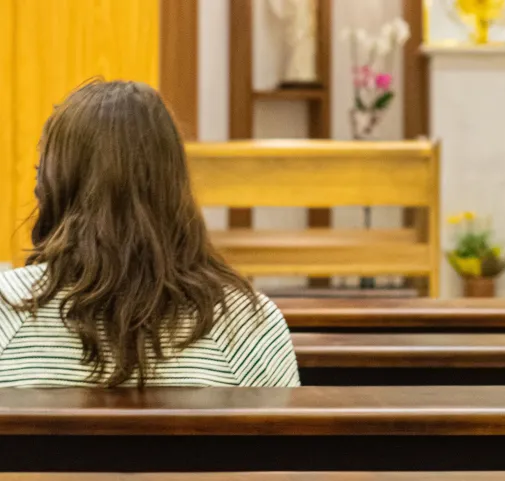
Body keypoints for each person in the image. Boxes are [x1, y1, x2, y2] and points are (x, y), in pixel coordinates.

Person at [0, 80, 300, 388]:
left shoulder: (6, 313)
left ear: (50, 189)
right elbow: (289, 434)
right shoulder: (247, 324)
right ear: (175, 188)